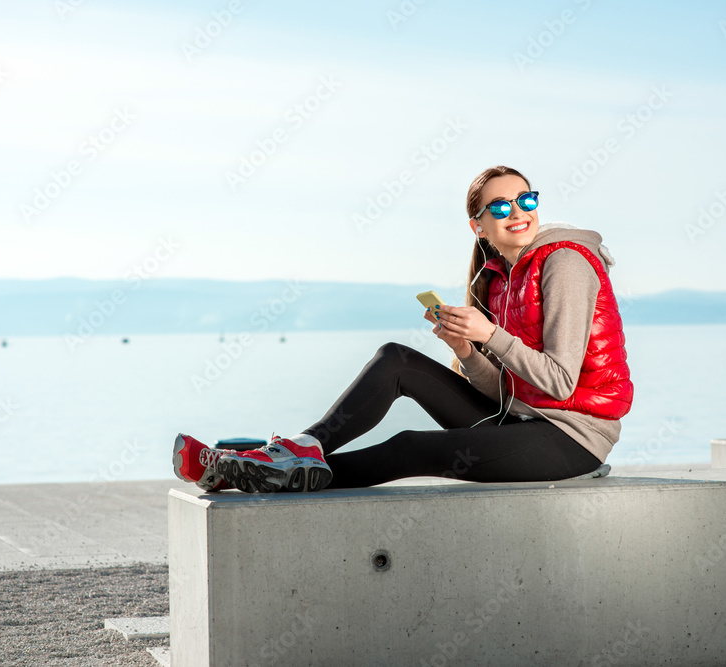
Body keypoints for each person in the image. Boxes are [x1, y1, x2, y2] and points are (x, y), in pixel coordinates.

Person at [173, 165, 633, 493]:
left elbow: (561, 380)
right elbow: (510, 395)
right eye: (501, 204)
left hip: (572, 440)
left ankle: (247, 470)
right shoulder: (497, 281)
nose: (519, 210)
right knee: (397, 359)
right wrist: (470, 353)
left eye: (526, 199)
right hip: (521, 421)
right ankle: (301, 449)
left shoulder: (565, 263)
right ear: (478, 225)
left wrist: (491, 336)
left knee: (410, 447)